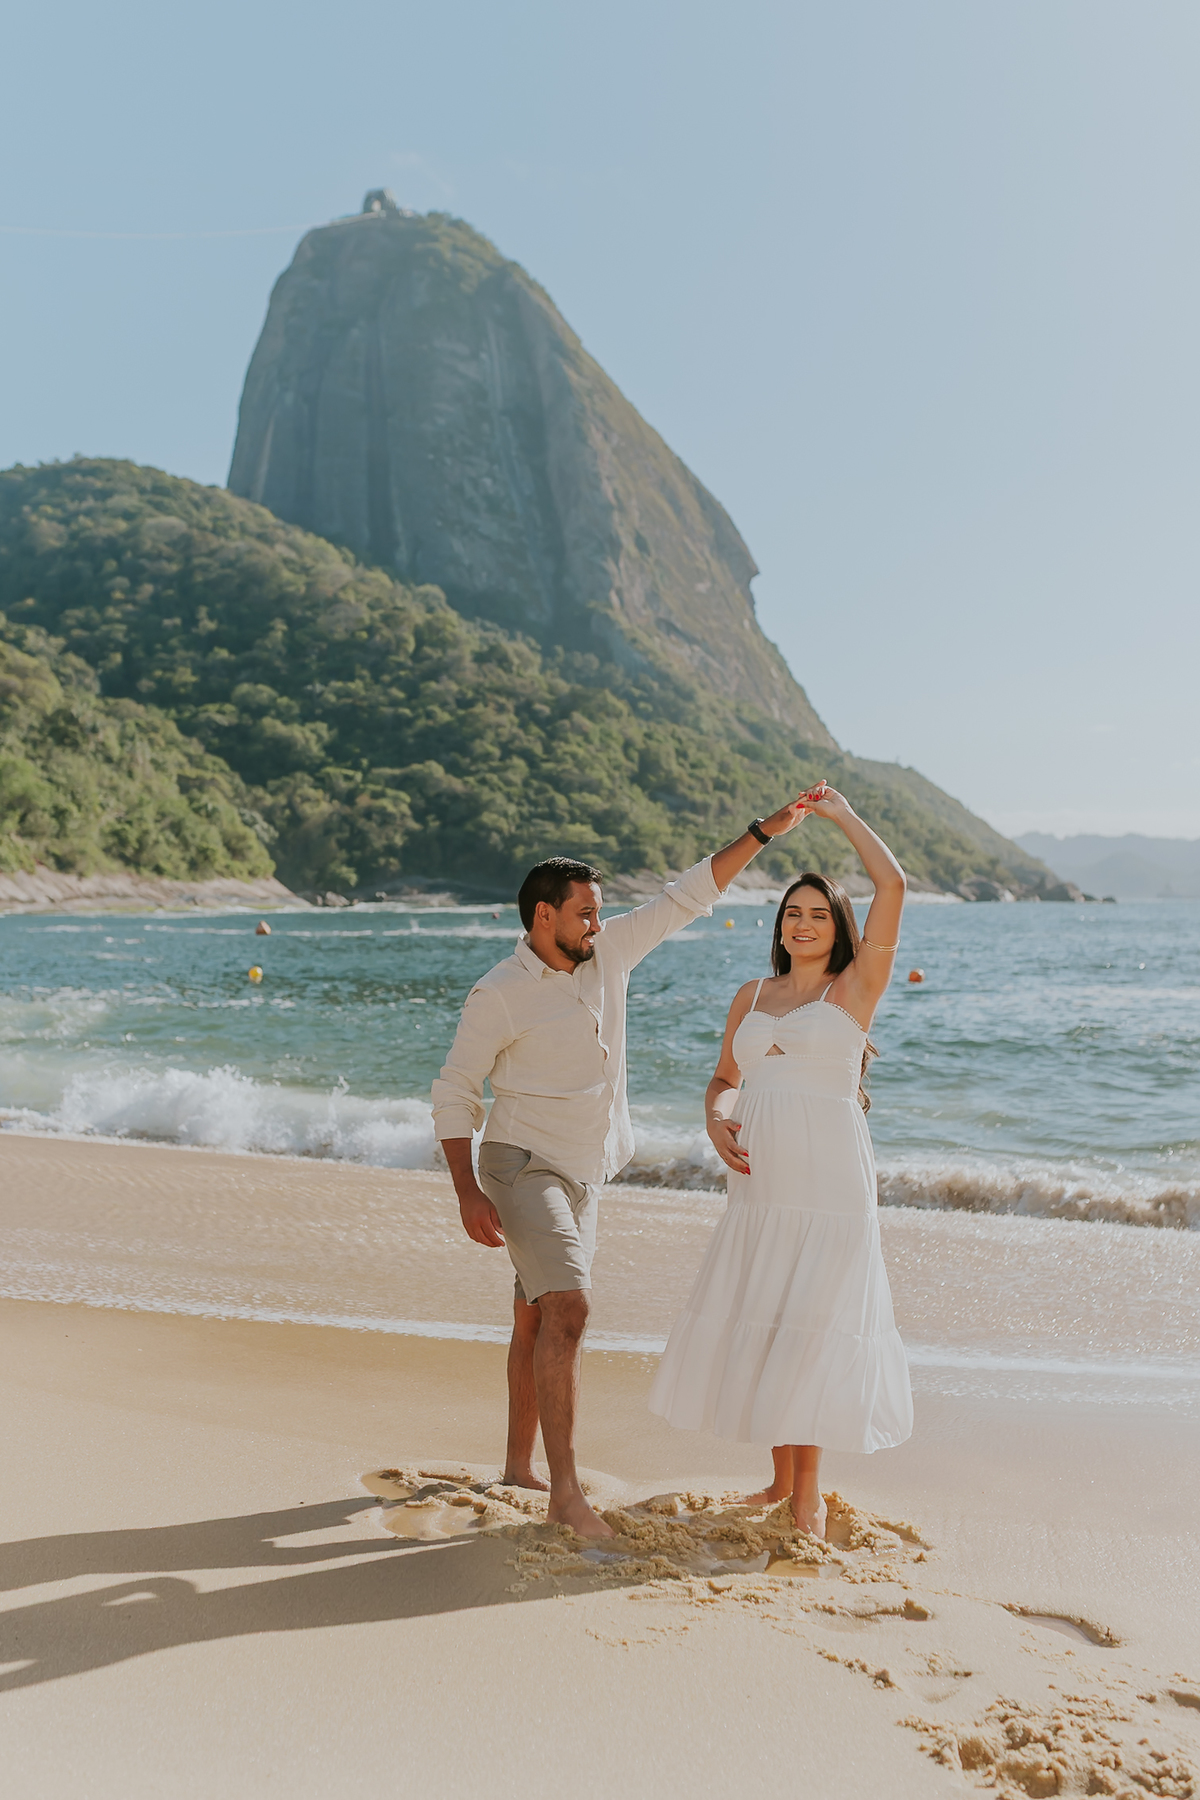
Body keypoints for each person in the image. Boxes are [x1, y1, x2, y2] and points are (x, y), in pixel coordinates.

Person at [432, 800, 809, 1539]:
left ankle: (518, 1466)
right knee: (570, 1308)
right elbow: (453, 1093)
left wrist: (765, 834)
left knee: (535, 1314)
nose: (598, 925)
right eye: (586, 914)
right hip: (519, 1165)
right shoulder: (498, 994)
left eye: (601, 913)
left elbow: (686, 896)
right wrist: (466, 1191)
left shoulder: (609, 958)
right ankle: (566, 1494)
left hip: (584, 1171)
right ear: (544, 916)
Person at [648, 785, 913, 1536]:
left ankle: (808, 1497)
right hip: (763, 1183)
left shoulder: (857, 987)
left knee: (814, 1323)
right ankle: (775, 1482)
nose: (802, 923)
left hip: (828, 1181)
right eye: (792, 913)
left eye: (818, 914)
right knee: (769, 1315)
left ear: (839, 928)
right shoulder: (752, 994)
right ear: (779, 924)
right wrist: (715, 1122)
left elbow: (893, 885)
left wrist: (842, 817)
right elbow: (725, 1082)